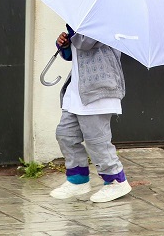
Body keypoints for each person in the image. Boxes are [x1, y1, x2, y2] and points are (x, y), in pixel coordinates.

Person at [48, 25, 131, 202]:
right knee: (65, 134)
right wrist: (63, 45)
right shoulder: (81, 21)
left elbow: (86, 42)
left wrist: (72, 30)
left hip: (98, 89)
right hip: (78, 89)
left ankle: (116, 180)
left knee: (97, 140)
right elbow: (75, 52)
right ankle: (77, 180)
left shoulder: (102, 19)